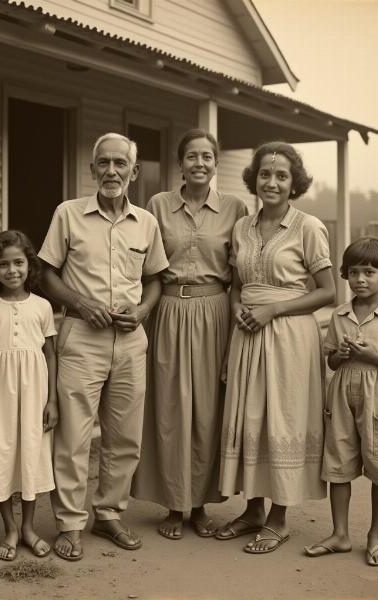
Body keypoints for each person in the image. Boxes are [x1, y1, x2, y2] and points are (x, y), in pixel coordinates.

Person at [40, 133, 168, 561]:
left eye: (120, 164)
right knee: (73, 436)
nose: (111, 171)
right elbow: (47, 274)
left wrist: (145, 310)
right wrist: (78, 302)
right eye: (103, 163)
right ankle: (70, 523)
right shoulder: (68, 215)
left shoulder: (146, 222)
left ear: (134, 172)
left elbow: (155, 279)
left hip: (131, 341)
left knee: (125, 436)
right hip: (81, 337)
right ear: (92, 169)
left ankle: (109, 514)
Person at [217, 141, 336, 553]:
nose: (272, 182)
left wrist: (274, 310)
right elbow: (236, 285)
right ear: (254, 179)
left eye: (282, 176)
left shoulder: (308, 227)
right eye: (265, 174)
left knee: (282, 418)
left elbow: (328, 292)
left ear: (294, 183)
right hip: (247, 334)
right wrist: (237, 309)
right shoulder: (242, 227)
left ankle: (280, 517)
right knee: (252, 416)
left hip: (289, 338)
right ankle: (252, 509)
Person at [131, 129, 248, 539]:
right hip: (166, 311)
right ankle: (171, 504)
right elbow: (145, 268)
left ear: (216, 164)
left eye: (207, 157)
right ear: (179, 163)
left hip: (215, 312)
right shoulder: (158, 205)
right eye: (192, 157)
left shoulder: (236, 208)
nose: (200, 163)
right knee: (168, 408)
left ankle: (198, 506)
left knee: (206, 410)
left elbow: (241, 274)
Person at [304, 236, 378, 566]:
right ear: (345, 275)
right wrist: (340, 356)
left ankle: (375, 535)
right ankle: (340, 534)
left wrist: (374, 357)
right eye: (354, 272)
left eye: (369, 272)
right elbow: (331, 363)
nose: (360, 279)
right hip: (342, 395)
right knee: (338, 462)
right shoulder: (340, 314)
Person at [0, 230, 58, 561]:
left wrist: (52, 400)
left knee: (31, 456)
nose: (12, 270)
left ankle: (28, 528)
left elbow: (51, 354)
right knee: (1, 457)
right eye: (4, 264)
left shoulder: (42, 306)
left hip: (34, 392)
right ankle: (9, 527)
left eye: (19, 263)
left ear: (29, 265)